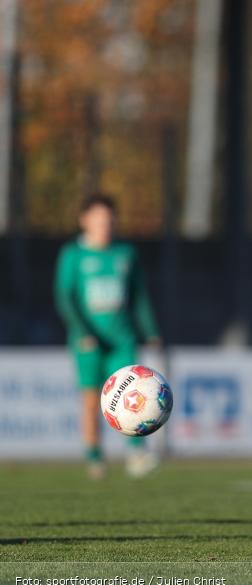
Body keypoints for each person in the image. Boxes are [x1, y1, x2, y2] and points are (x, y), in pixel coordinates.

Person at [55, 193, 161, 480]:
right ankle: (95, 456)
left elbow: (138, 295)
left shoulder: (125, 254)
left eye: (109, 220)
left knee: (134, 393)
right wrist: (82, 331)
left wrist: (149, 329)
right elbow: (65, 297)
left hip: (121, 339)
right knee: (92, 401)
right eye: (99, 220)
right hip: (87, 340)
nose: (105, 225)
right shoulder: (73, 255)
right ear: (85, 221)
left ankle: (137, 452)